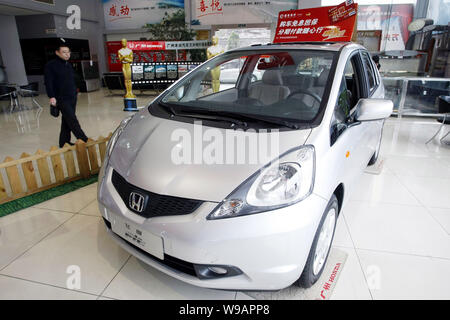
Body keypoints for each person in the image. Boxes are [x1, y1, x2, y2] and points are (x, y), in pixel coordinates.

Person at [44, 41, 88, 148]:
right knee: (72, 120)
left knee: (67, 120)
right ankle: (84, 140)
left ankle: (64, 142)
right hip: (61, 98)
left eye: (68, 52)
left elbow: (71, 79)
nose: (67, 54)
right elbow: (48, 82)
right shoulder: (51, 66)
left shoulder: (68, 64)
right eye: (64, 52)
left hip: (72, 96)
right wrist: (52, 96)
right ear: (57, 53)